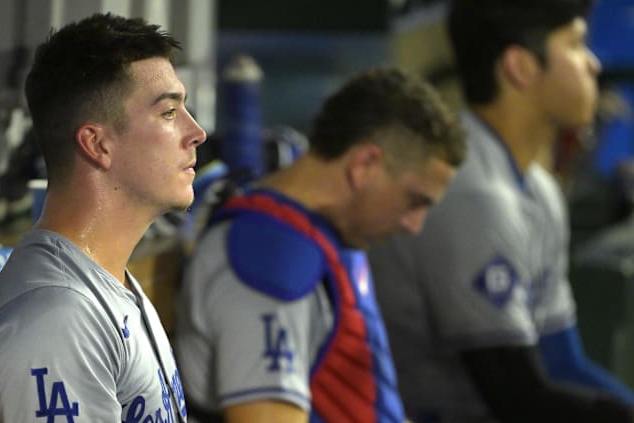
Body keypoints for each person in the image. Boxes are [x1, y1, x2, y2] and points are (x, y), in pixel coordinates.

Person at [369, 1, 634, 422]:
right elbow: (514, 395)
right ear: (521, 67)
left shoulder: (538, 189)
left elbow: (562, 362)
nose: (594, 65)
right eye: (576, 45)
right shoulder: (473, 190)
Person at [175, 67, 465, 423]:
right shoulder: (269, 260)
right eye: (414, 201)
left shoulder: (328, 233)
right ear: (365, 165)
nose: (413, 225)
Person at [0, 13, 206, 422]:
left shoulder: (104, 286)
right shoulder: (56, 320)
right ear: (97, 144)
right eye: (168, 113)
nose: (196, 132)